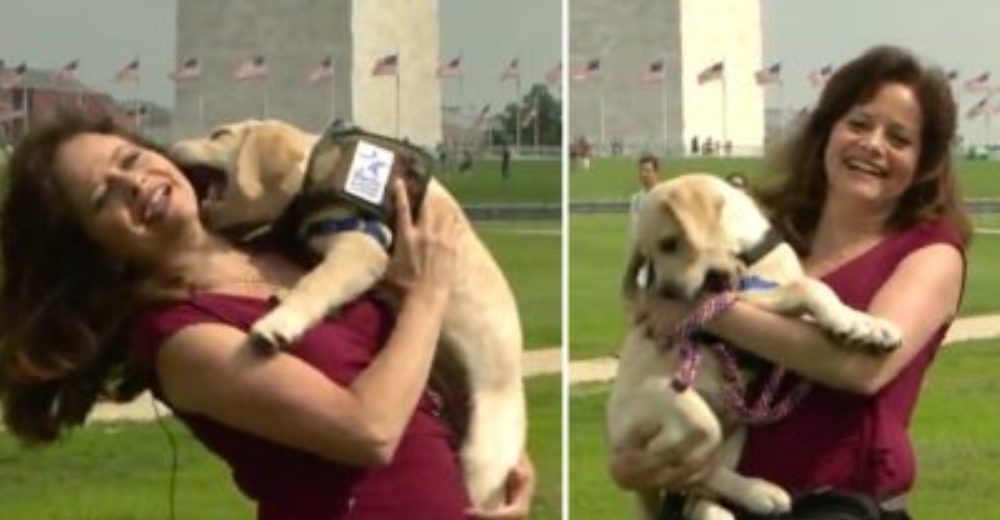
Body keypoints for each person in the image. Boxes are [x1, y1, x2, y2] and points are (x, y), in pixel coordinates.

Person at [0, 113, 535, 520]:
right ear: (91, 251)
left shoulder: (290, 243)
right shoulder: (180, 337)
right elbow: (368, 430)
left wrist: (495, 455)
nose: (134, 182)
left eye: (131, 159)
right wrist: (428, 294)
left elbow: (414, 369)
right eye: (102, 195)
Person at [609, 45, 970, 520]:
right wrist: (631, 464)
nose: (873, 144)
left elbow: (862, 368)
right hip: (715, 500)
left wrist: (704, 311)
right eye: (858, 124)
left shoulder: (931, 253)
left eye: (899, 138)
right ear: (827, 132)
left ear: (923, 162)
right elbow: (653, 357)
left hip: (838, 505)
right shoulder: (761, 236)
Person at [629, 154, 662, 235]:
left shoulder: (665, 196)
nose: (643, 174)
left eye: (647, 170)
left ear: (656, 173)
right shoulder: (636, 199)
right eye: (641, 170)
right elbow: (634, 228)